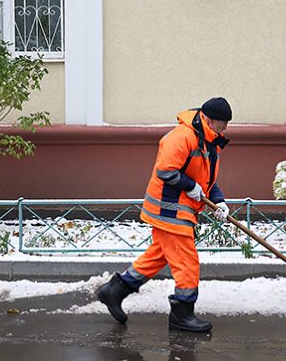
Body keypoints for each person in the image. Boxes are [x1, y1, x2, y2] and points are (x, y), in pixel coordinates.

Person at [96, 97, 233, 333]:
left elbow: (207, 179)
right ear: (209, 119)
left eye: (227, 125)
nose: (225, 129)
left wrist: (218, 201)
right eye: (222, 124)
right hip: (168, 209)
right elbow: (165, 170)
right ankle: (182, 314)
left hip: (180, 209)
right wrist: (189, 186)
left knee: (158, 256)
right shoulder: (182, 137)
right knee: (187, 263)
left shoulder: (210, 141)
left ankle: (114, 291)